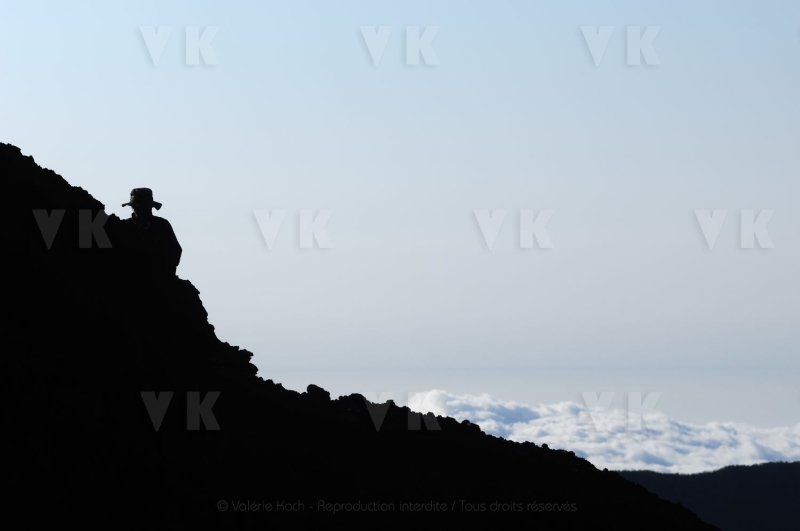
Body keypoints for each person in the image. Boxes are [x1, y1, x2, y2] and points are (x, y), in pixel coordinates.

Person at [120, 188, 182, 276]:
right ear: (133, 207)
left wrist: (166, 273)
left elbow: (175, 250)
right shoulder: (124, 227)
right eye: (138, 208)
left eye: (145, 208)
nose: (142, 211)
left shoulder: (162, 225)